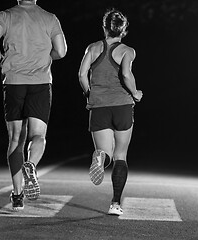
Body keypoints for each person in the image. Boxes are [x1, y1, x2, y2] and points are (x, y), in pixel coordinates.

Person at [0, 0, 67, 211]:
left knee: (15, 139)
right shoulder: (50, 18)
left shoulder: (5, 15)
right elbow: (62, 51)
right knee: (38, 135)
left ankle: (17, 195)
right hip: (40, 81)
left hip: (13, 82)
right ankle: (31, 164)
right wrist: (48, 58)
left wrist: (0, 60)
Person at [78, 8, 143, 216]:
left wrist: (89, 93)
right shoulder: (127, 50)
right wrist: (135, 93)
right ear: (123, 30)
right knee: (121, 155)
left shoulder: (93, 48)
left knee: (104, 152)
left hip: (99, 106)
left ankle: (99, 159)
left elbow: (81, 74)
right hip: (122, 106)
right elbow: (125, 74)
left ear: (104, 27)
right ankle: (115, 203)